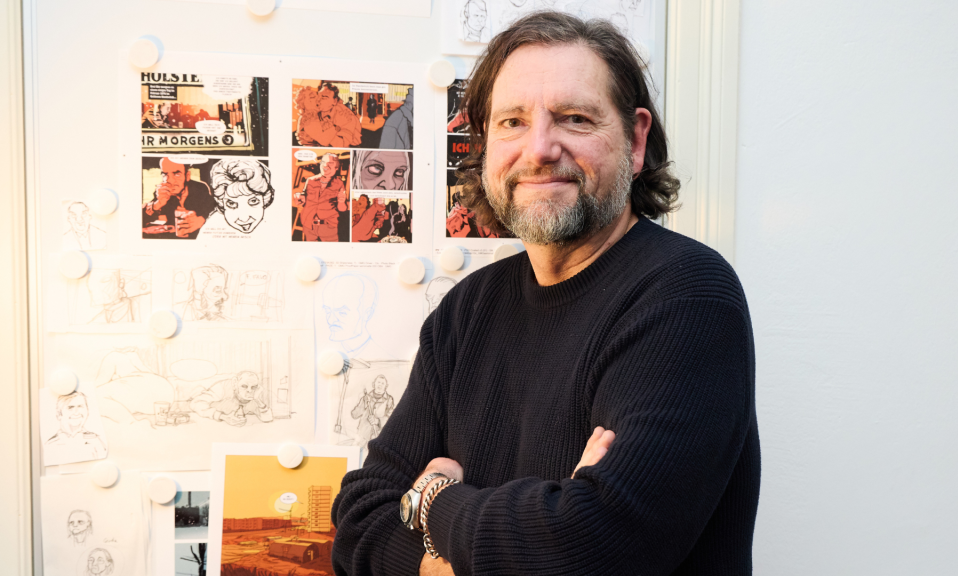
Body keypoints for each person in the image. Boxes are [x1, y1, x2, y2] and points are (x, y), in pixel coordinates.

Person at [331, 12, 759, 576]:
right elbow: (359, 521)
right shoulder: (466, 311)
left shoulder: (688, 296)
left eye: (574, 118)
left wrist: (432, 501)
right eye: (511, 122)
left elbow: (592, 548)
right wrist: (464, 556)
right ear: (486, 146)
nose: (539, 149)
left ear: (634, 140)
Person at [142, 157, 215, 239]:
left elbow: (213, 210)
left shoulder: (200, 188)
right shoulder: (162, 191)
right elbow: (138, 220)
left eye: (177, 174)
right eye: (165, 174)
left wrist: (202, 220)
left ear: (187, 176)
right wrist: (158, 204)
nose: (170, 180)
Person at [202, 158, 274, 235]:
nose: (244, 219)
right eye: (231, 204)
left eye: (253, 201)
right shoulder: (211, 225)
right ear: (221, 203)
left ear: (265, 199)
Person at [190, 371, 273, 427]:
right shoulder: (222, 387)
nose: (249, 391)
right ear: (234, 383)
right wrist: (223, 417)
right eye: (244, 386)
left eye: (253, 387)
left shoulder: (256, 394)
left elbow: (268, 418)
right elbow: (196, 403)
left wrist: (258, 400)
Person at [295, 153, 346, 242]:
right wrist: (298, 198)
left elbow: (342, 209)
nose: (325, 166)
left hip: (328, 228)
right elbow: (302, 200)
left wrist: (341, 201)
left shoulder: (339, 184)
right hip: (309, 225)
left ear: (336, 168)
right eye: (323, 162)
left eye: (330, 163)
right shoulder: (310, 180)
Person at [45, 392, 107, 462]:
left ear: (87, 411)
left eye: (80, 407)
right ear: (59, 414)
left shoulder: (95, 440)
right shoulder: (51, 444)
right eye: (70, 407)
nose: (76, 412)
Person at [296, 83, 363, 148]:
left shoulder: (344, 114)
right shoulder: (308, 118)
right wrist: (336, 128)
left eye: (324, 97)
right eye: (316, 96)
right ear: (302, 103)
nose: (318, 99)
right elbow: (324, 140)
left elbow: (342, 144)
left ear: (334, 101)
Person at [350, 375, 396, 446]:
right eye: (378, 382)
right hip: (362, 436)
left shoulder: (389, 400)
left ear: (386, 386)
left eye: (382, 383)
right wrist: (362, 404)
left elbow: (391, 418)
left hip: (378, 436)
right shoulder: (366, 397)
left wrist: (378, 421)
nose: (380, 385)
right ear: (373, 384)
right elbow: (354, 415)